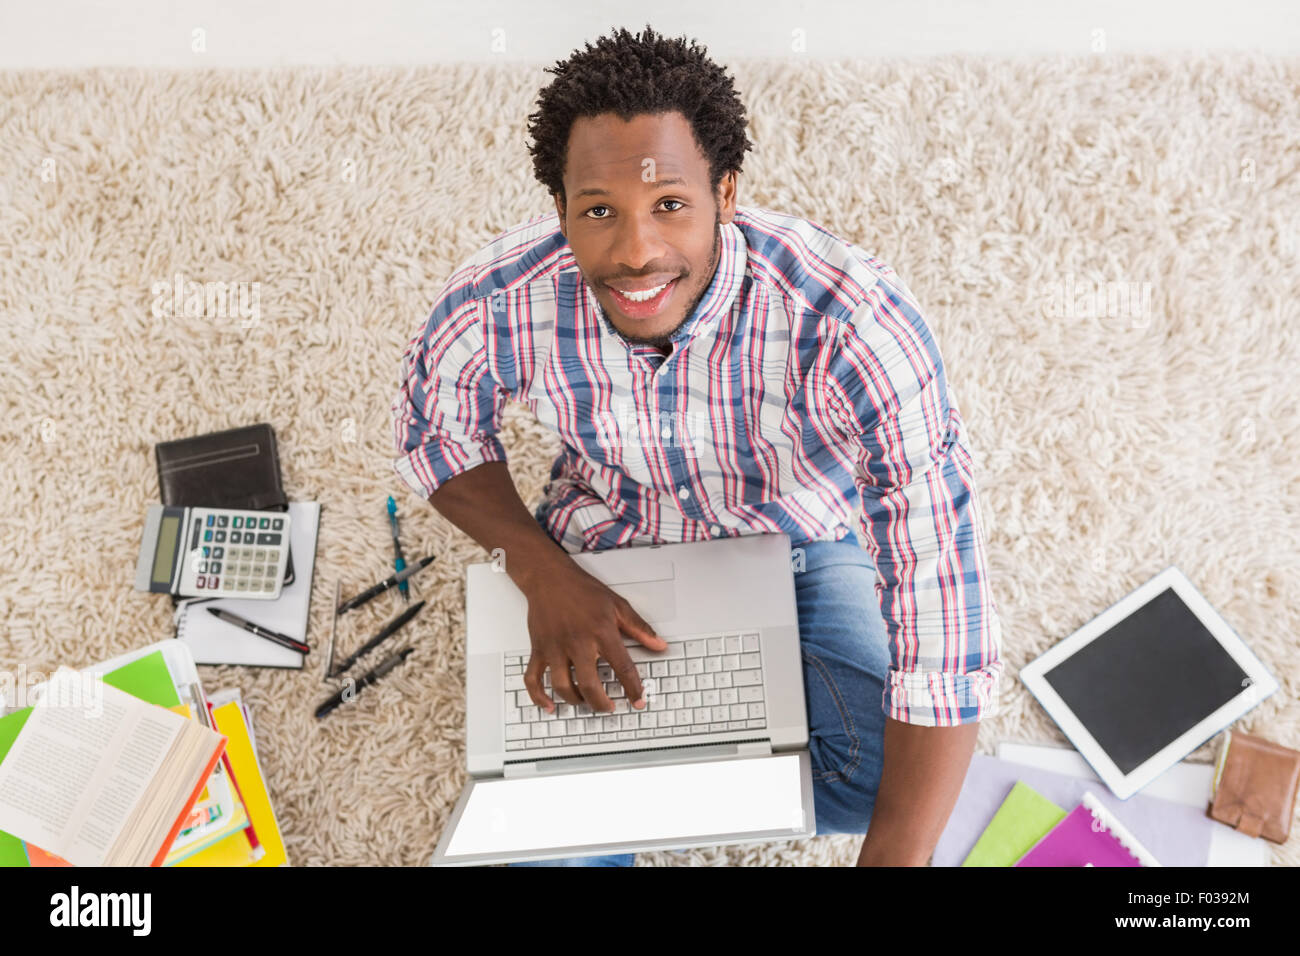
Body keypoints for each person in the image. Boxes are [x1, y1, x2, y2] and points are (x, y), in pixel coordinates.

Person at [392, 24, 1004, 866]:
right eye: (599, 211)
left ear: (726, 193)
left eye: (670, 206)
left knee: (910, 793)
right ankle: (607, 783)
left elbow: (942, 610)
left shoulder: (852, 319)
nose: (636, 252)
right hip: (601, 547)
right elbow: (434, 431)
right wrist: (540, 571)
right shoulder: (498, 298)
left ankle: (625, 785)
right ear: (560, 210)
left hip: (800, 544)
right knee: (517, 847)